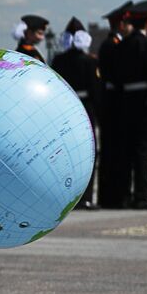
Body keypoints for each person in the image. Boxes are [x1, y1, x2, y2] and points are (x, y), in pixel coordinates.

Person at [110, 1, 147, 209]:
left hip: (125, 103)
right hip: (144, 104)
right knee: (142, 151)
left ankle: (124, 193)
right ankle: (141, 195)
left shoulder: (122, 45)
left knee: (127, 151)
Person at [50, 18, 100, 210]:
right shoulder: (90, 61)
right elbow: (96, 91)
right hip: (85, 109)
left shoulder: (58, 60)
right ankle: (86, 197)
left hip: (64, 110)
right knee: (87, 153)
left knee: (67, 155)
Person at [95, 1, 132, 208]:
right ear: (121, 24)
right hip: (114, 103)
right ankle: (114, 196)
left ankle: (113, 195)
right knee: (114, 152)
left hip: (112, 102)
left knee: (115, 152)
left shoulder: (111, 44)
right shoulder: (113, 45)